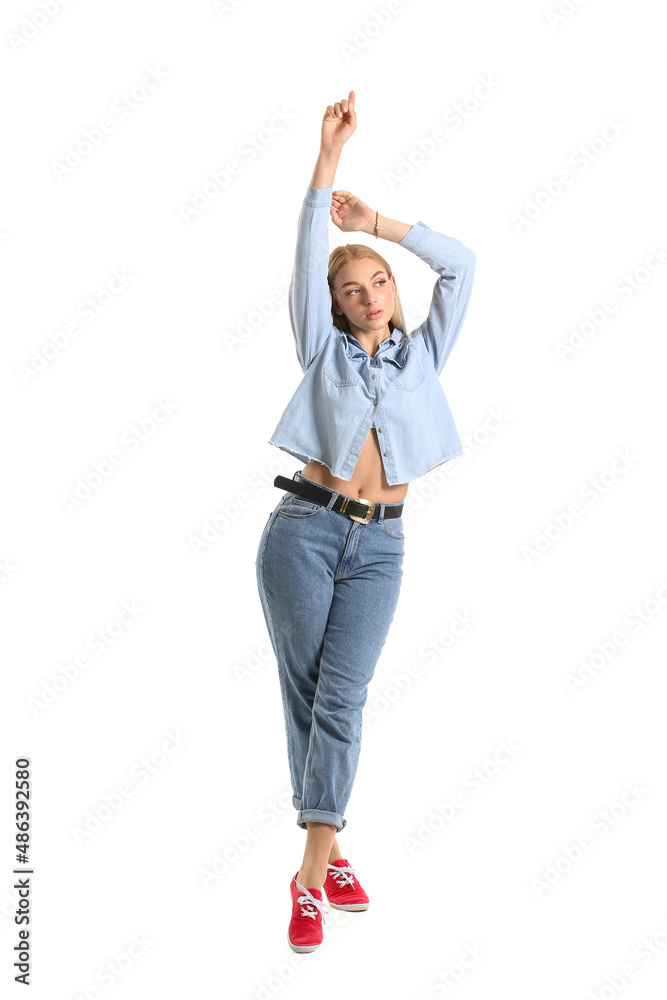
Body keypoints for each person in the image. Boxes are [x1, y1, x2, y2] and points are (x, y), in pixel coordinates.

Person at [255, 90, 476, 953]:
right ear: (336, 306)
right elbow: (308, 249)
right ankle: (330, 852)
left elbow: (462, 264)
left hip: (380, 545)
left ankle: (307, 877)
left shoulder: (425, 351)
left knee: (340, 697)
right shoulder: (321, 349)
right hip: (302, 534)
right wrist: (326, 163)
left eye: (378, 282)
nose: (370, 294)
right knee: (312, 700)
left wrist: (380, 223)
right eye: (351, 290)